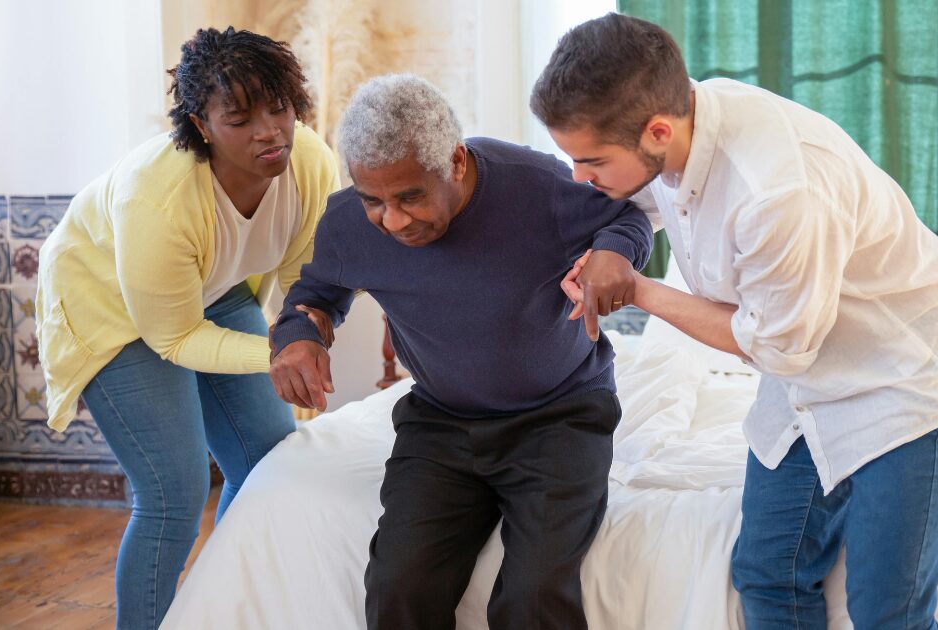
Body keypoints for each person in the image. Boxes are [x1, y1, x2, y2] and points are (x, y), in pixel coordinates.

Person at [532, 13, 938, 629]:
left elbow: (774, 347)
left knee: (888, 613)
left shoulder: (776, 194)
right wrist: (612, 249)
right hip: (808, 374)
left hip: (903, 377)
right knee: (768, 575)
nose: (579, 179)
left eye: (591, 161)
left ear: (658, 130)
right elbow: (641, 196)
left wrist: (639, 291)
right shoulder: (683, 123)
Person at [267, 73, 652, 630]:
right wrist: (297, 338)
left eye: (410, 197)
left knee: (533, 597)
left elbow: (626, 217)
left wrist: (614, 255)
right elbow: (317, 293)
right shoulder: (349, 222)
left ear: (455, 161)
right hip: (443, 422)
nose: (392, 220)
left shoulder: (534, 185)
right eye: (374, 199)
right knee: (398, 586)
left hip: (559, 416)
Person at [36, 27, 339, 629]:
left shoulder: (309, 162)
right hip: (110, 306)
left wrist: (302, 335)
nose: (270, 132)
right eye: (241, 118)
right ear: (201, 124)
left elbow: (307, 281)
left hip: (214, 286)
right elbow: (172, 339)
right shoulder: (157, 196)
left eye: (280, 107)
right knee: (173, 494)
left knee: (267, 465)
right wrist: (277, 355)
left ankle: (218, 613)